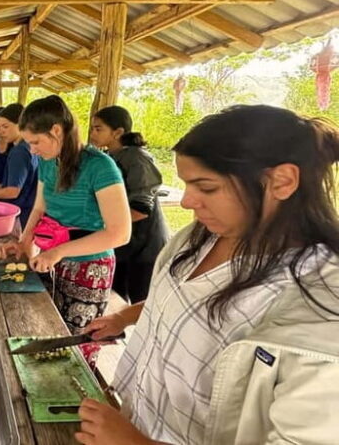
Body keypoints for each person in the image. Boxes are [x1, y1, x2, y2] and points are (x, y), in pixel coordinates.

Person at [78, 105, 339, 445]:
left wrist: (135, 443)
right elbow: (181, 299)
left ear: (281, 181)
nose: (187, 202)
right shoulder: (200, 237)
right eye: (187, 185)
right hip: (135, 417)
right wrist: (125, 316)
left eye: (207, 187)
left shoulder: (320, 306)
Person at [0, 95, 131, 367]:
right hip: (52, 259)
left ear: (56, 131)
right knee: (45, 329)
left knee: (76, 345)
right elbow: (39, 207)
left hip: (88, 268)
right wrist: (24, 242)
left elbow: (120, 233)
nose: (32, 151)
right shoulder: (49, 162)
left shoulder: (100, 166)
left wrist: (59, 251)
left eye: (35, 142)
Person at [89, 106, 169, 303]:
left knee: (141, 302)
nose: (92, 134)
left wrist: (105, 223)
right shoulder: (108, 157)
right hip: (122, 243)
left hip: (143, 245)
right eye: (92, 129)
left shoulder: (137, 158)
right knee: (116, 297)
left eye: (98, 129)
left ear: (117, 132)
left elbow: (141, 209)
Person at [0, 103, 38, 229]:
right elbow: (23, 183)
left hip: (20, 215)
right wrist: (0, 186)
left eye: (5, 126)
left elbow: (13, 192)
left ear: (20, 125)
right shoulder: (30, 147)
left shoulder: (19, 152)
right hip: (29, 211)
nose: (0, 131)